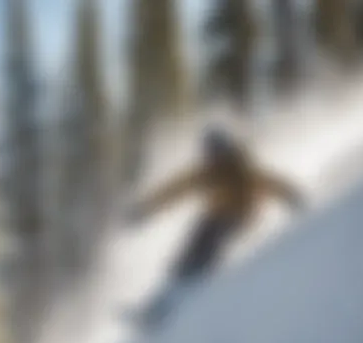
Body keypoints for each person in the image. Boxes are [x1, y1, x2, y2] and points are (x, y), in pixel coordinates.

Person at [127, 127, 308, 328]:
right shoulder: (207, 173)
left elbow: (271, 182)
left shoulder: (241, 169)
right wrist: (145, 210)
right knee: (193, 243)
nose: (212, 159)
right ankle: (166, 296)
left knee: (212, 237)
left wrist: (292, 196)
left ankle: (200, 274)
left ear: (225, 150)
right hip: (214, 218)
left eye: (215, 153)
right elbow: (175, 189)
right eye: (209, 154)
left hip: (239, 218)